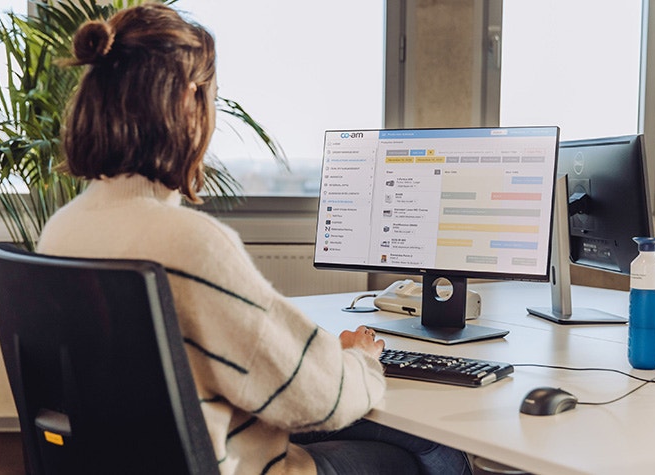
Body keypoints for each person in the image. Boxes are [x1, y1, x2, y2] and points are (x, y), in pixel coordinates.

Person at [38, 3, 471, 474]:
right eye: (214, 98)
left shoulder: (62, 230)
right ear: (188, 101)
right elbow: (317, 399)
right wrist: (363, 361)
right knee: (438, 454)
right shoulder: (188, 243)